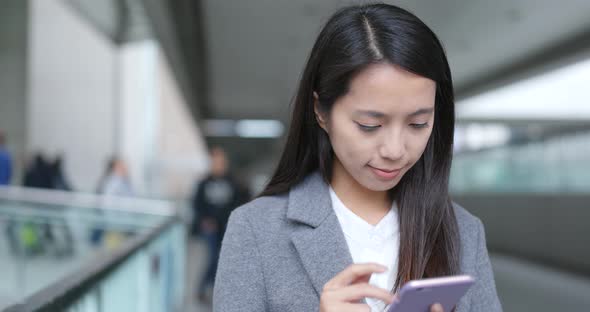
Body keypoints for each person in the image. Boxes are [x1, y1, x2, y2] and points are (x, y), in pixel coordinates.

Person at [213, 4, 502, 312]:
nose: (394, 150)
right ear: (321, 111)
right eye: (370, 125)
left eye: (418, 123)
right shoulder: (256, 229)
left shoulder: (464, 231)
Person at [192, 147, 244, 304]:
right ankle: (209, 289)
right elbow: (197, 204)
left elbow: (239, 202)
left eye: (221, 161)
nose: (218, 164)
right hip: (210, 228)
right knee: (214, 257)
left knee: (222, 258)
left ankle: (208, 289)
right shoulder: (203, 183)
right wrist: (205, 220)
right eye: (215, 162)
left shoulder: (233, 182)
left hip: (227, 227)